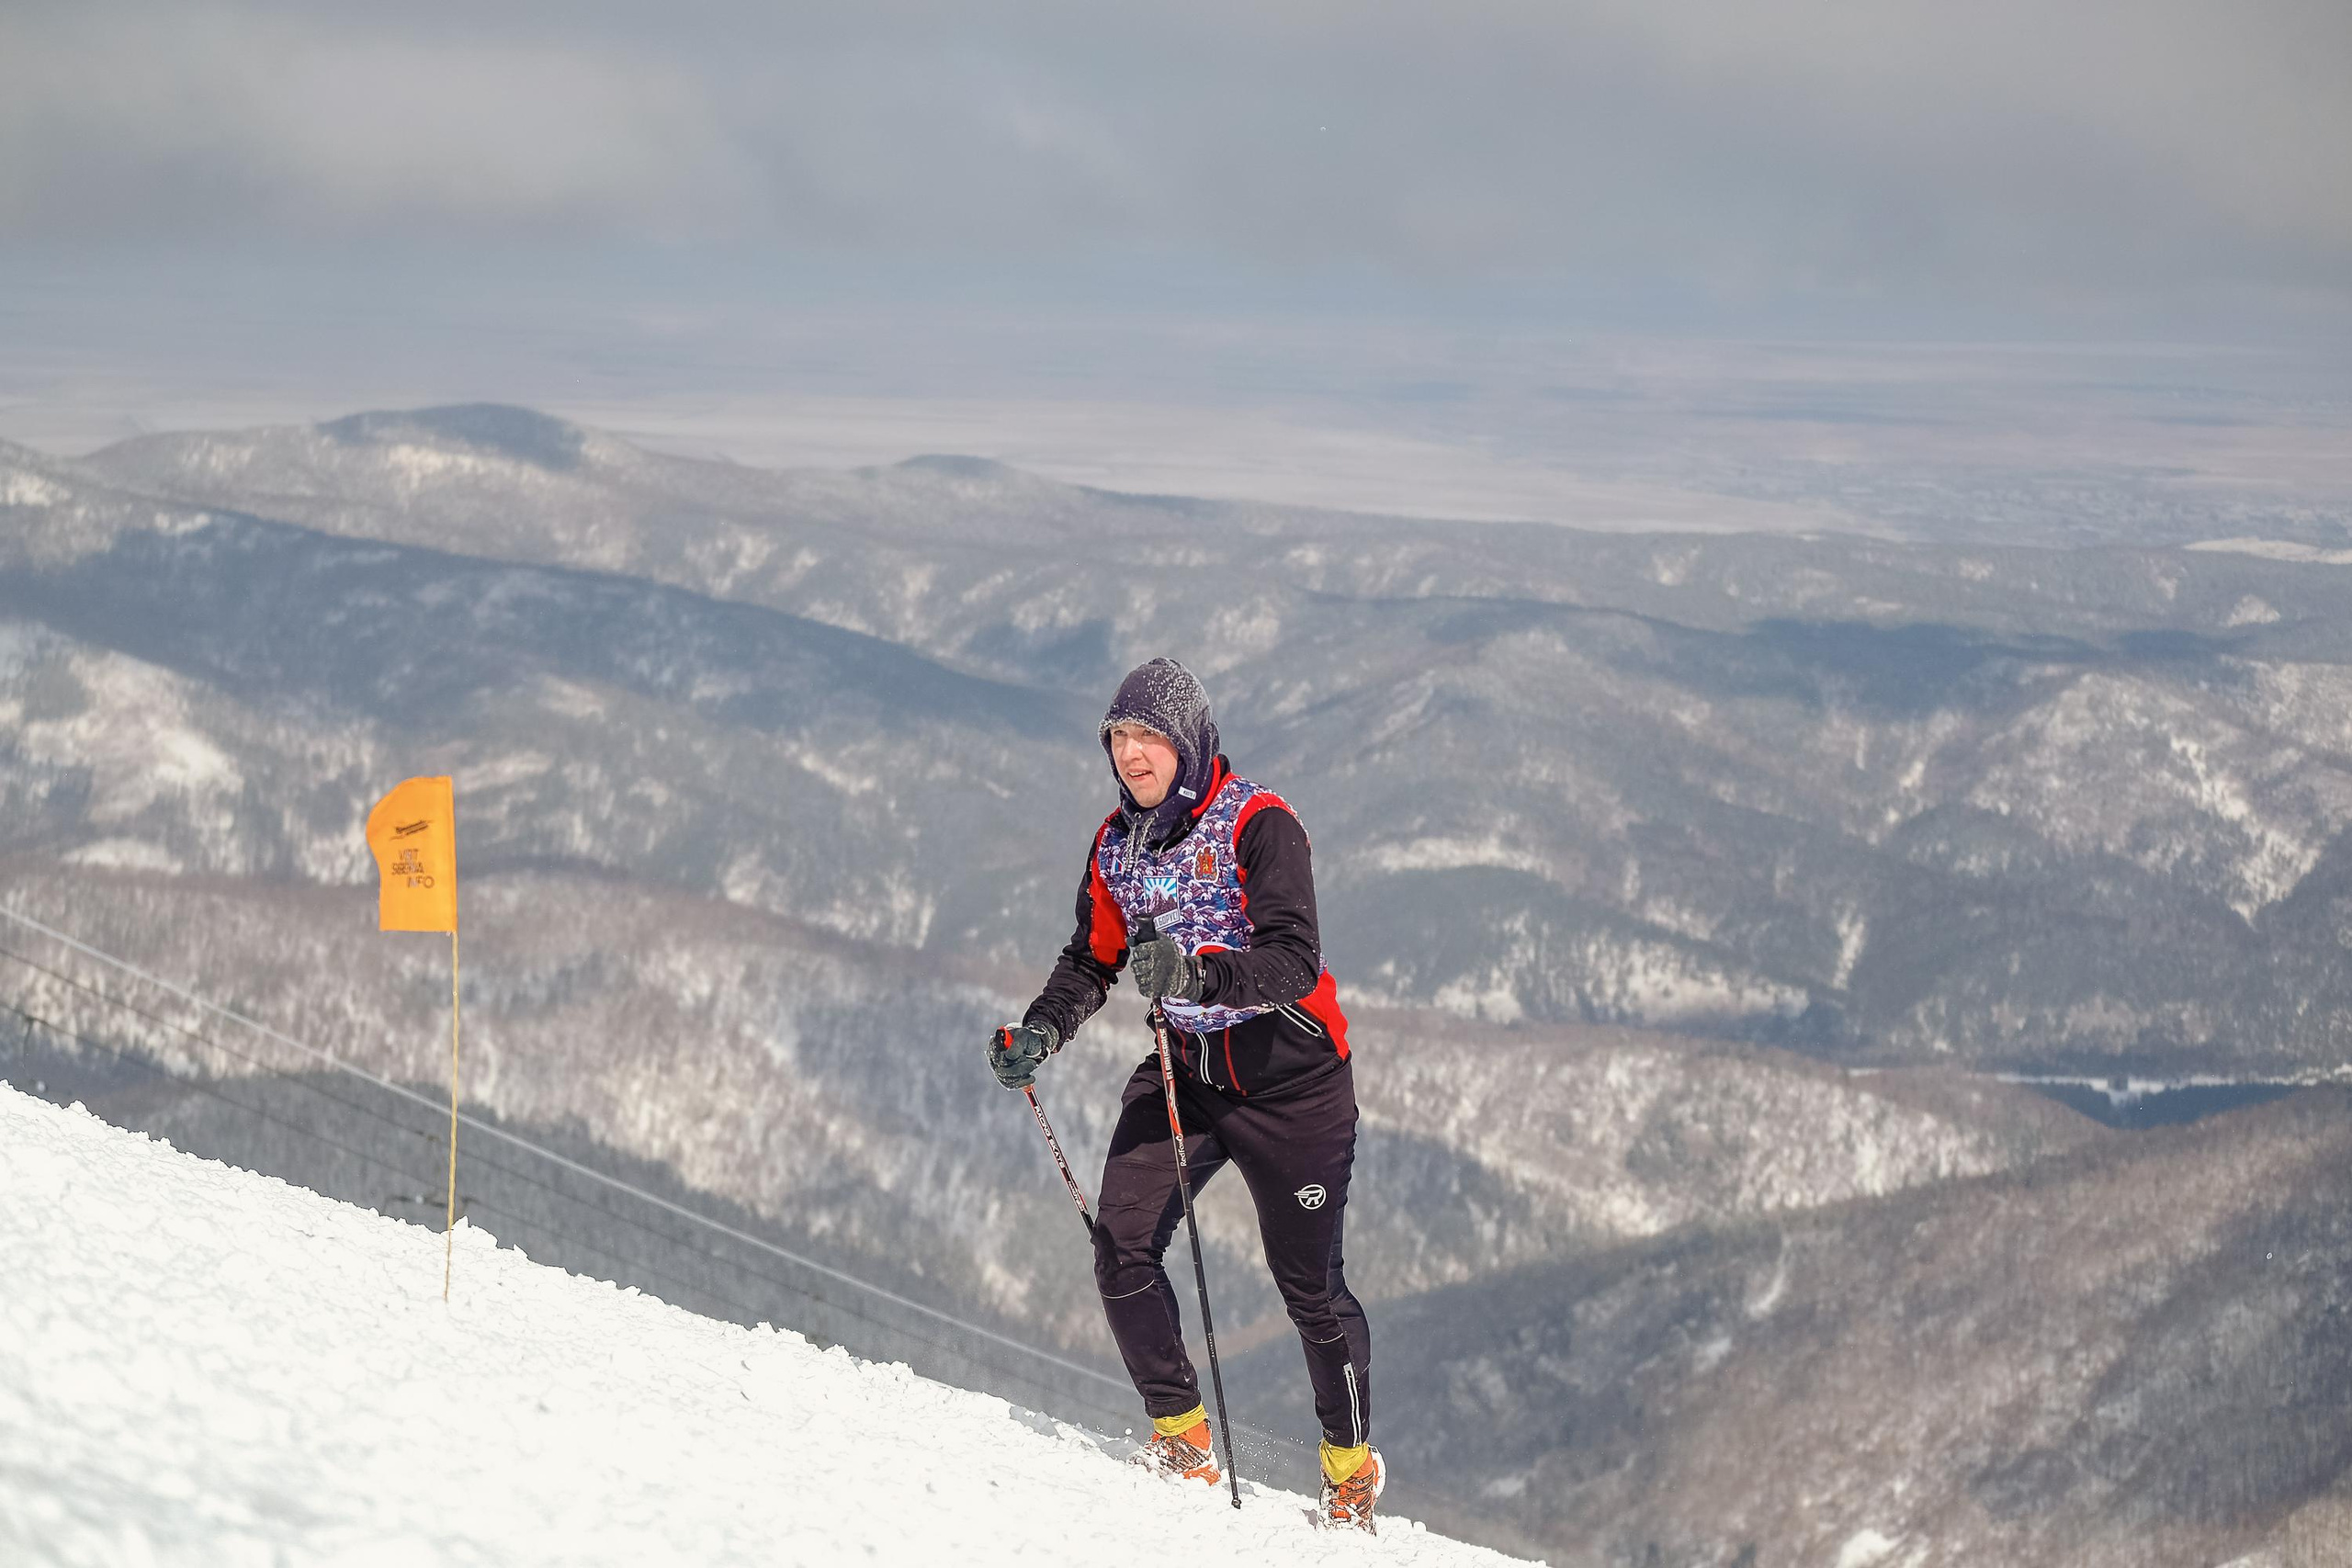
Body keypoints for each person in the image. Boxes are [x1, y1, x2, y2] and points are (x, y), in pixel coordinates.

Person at [987, 657, 1382, 1532]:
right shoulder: (1114, 844)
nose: (1132, 753)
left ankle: (1350, 1470)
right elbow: (1092, 956)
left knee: (1311, 1289)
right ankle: (1182, 1441)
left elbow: (1293, 959)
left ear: (1190, 742)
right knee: (1121, 1246)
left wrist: (1199, 974)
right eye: (1118, 737)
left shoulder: (1261, 824)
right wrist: (1043, 1030)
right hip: (1186, 1071)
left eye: (1150, 736)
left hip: (1294, 1081)